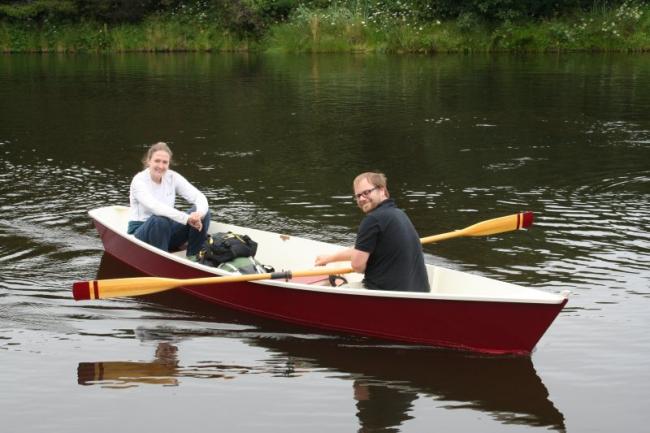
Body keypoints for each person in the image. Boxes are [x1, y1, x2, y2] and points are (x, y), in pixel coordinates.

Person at [315, 172, 430, 292]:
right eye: (358, 196)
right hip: (420, 293)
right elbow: (362, 248)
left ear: (382, 190)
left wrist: (365, 264)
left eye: (366, 192)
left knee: (340, 289)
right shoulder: (399, 214)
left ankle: (339, 282)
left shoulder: (372, 220)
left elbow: (357, 266)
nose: (361, 199)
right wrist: (329, 259)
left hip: (385, 294)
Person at [127, 142, 210, 258]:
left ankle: (194, 257)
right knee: (159, 220)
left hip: (166, 230)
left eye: (165, 162)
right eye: (157, 161)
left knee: (203, 212)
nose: (161, 166)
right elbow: (154, 207)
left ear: (169, 164)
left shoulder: (172, 177)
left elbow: (198, 196)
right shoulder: (139, 181)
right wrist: (186, 218)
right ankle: (163, 261)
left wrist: (198, 214)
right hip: (141, 233)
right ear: (149, 161)